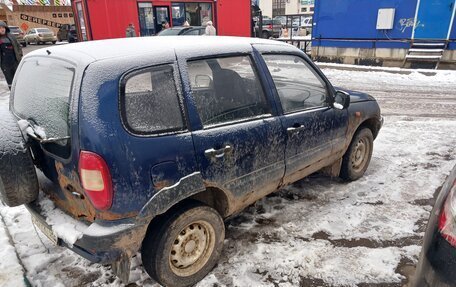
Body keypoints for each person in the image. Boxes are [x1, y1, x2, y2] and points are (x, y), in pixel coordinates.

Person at [0, 21, 22, 90]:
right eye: (0, 28)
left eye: (3, 27)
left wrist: (20, 55)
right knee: (10, 82)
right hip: (5, 65)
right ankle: (12, 94)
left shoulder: (11, 36)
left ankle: (20, 92)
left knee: (18, 79)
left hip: (15, 62)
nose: (2, 29)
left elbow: (18, 46)